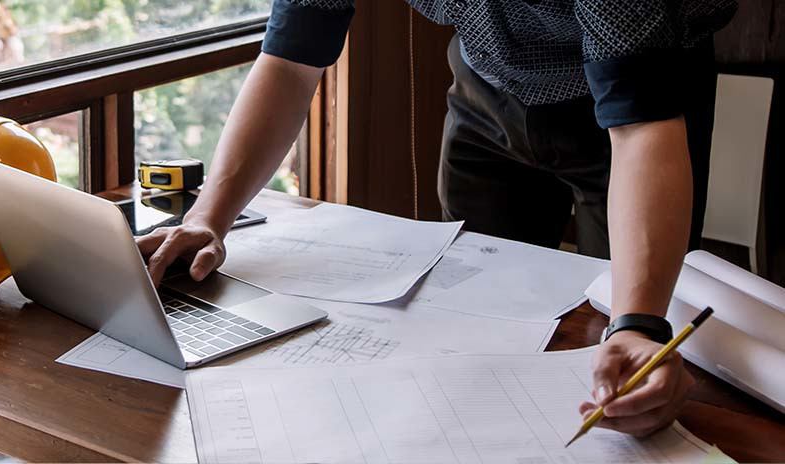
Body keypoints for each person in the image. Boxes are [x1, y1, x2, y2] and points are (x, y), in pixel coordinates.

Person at [137, 0, 736, 438]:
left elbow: (641, 127)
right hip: (487, 83)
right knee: (476, 316)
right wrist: (210, 219)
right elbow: (291, 61)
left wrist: (639, 327)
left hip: (640, 94)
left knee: (622, 340)